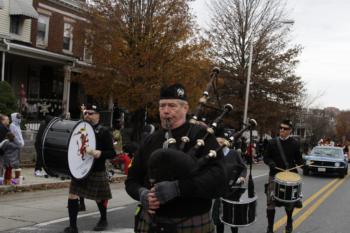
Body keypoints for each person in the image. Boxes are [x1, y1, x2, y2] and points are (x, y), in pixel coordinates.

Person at [125, 83, 226, 233]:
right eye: (162, 106)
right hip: (152, 222)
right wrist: (142, 194)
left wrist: (179, 188)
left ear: (185, 108)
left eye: (172, 106)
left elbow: (219, 179)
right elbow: (132, 180)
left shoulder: (202, 136)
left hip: (190, 221)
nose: (165, 111)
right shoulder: (150, 140)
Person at [62, 104, 115, 233]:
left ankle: (103, 219)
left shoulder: (104, 131)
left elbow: (112, 153)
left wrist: (99, 153)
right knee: (72, 195)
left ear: (98, 115)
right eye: (85, 113)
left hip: (96, 168)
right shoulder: (80, 129)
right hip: (80, 169)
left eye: (91, 113)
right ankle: (73, 227)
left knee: (99, 197)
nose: (87, 115)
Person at [263, 119, 303, 233]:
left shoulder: (295, 143)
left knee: (289, 203)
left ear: (290, 130)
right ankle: (270, 227)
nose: (282, 130)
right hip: (274, 175)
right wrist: (270, 162)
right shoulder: (272, 143)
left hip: (289, 176)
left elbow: (298, 160)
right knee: (270, 203)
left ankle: (289, 221)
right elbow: (266, 157)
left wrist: (303, 165)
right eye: (280, 128)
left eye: (285, 129)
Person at [212, 128, 247, 233]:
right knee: (218, 218)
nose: (220, 144)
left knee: (232, 217)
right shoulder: (214, 155)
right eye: (217, 142)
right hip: (220, 190)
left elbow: (243, 167)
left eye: (222, 142)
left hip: (233, 190)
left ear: (227, 142)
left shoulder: (234, 153)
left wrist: (242, 177)